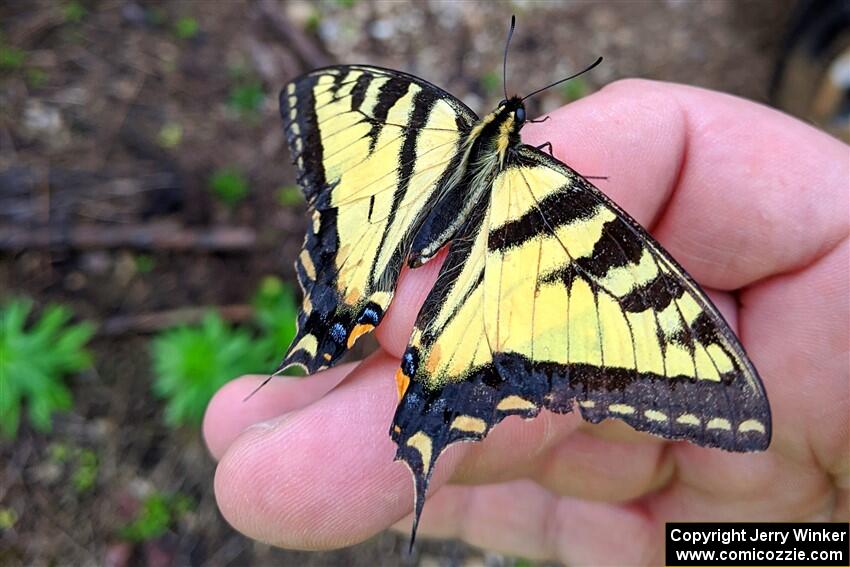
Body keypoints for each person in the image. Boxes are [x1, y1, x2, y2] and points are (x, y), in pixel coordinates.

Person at [202, 80, 849, 565]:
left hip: (405, 235)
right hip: (480, 275)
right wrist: (817, 537)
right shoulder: (549, 186)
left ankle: (360, 327)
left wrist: (812, 532)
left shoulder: (426, 120)